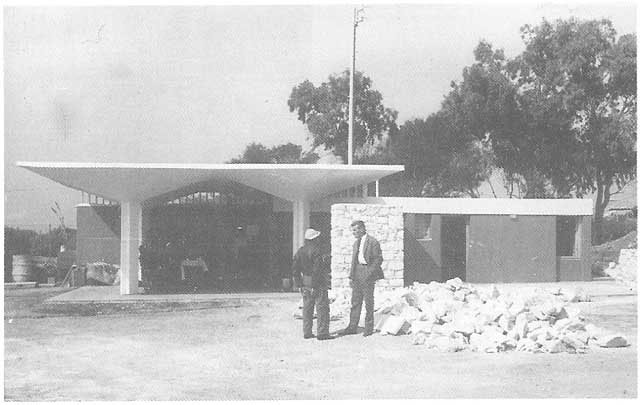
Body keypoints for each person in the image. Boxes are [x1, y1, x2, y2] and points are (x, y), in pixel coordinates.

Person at [340, 220, 384, 337]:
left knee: (368, 302)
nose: (354, 232)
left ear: (362, 229)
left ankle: (368, 328)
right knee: (355, 301)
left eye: (355, 230)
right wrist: (351, 276)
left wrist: (369, 273)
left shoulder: (372, 242)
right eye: (353, 230)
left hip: (367, 271)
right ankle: (352, 327)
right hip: (357, 272)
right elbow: (354, 261)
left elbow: (378, 259)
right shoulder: (356, 243)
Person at [291, 228, 334, 341]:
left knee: (307, 308)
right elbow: (317, 270)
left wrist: (299, 284)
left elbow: (295, 269)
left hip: (305, 281)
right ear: (315, 239)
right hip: (318, 282)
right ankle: (322, 333)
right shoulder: (317, 251)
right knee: (322, 307)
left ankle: (307, 332)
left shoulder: (300, 251)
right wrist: (315, 285)